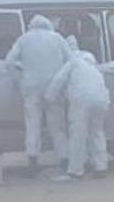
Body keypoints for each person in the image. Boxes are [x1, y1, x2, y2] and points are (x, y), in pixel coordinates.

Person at [4, 14, 73, 175]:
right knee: (57, 125)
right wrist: (62, 81)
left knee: (32, 124)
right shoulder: (57, 39)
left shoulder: (24, 39)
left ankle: (33, 159)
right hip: (54, 88)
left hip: (31, 88)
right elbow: (71, 61)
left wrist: (18, 81)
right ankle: (64, 158)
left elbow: (8, 62)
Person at [46, 37, 110, 181]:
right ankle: (101, 167)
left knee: (78, 136)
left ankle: (76, 171)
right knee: (97, 133)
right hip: (102, 100)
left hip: (82, 100)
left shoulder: (71, 63)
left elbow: (58, 80)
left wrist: (48, 98)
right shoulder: (92, 64)